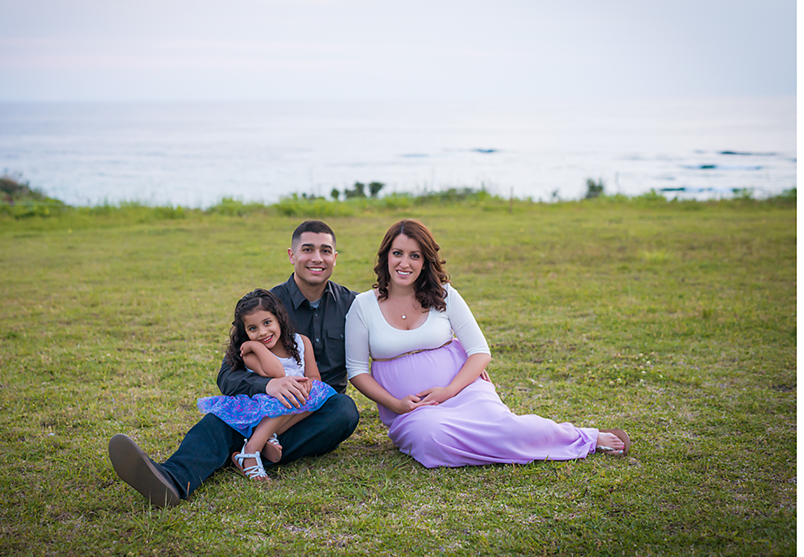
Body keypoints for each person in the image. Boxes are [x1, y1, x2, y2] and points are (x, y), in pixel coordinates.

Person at [108, 217, 360, 507]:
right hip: (262, 405)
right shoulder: (265, 307)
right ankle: (173, 479)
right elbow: (228, 376)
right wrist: (270, 385)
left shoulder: (353, 304)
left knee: (344, 410)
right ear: (292, 255)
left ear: (335, 258)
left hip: (313, 414)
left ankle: (246, 453)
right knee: (223, 419)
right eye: (308, 249)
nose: (317, 258)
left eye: (325, 251)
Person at [345, 217, 630, 469]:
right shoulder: (363, 305)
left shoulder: (444, 295)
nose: (404, 263)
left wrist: (448, 390)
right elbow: (357, 370)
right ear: (386, 256)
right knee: (429, 439)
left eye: (414, 256)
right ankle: (502, 446)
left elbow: (480, 352)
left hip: (463, 391)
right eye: (398, 253)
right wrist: (396, 404)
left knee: (506, 428)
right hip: (413, 412)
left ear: (425, 262)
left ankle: (586, 438)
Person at [196, 294, 334, 476]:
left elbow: (314, 376)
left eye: (267, 322)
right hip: (266, 404)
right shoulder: (250, 354)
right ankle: (250, 450)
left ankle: (268, 435)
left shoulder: (301, 342)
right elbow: (277, 373)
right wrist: (258, 347)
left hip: (295, 402)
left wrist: (309, 384)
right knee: (287, 396)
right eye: (253, 328)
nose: (262, 332)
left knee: (319, 392)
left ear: (280, 319)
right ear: (245, 333)